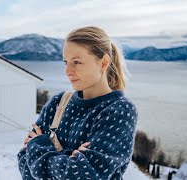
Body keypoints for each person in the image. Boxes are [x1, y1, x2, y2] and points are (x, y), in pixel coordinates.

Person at [17, 26, 138, 180]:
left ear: (103, 62)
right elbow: (25, 167)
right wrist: (70, 159)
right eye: (65, 62)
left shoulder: (119, 111)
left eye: (77, 62)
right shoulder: (58, 103)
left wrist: (38, 146)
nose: (68, 70)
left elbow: (82, 176)